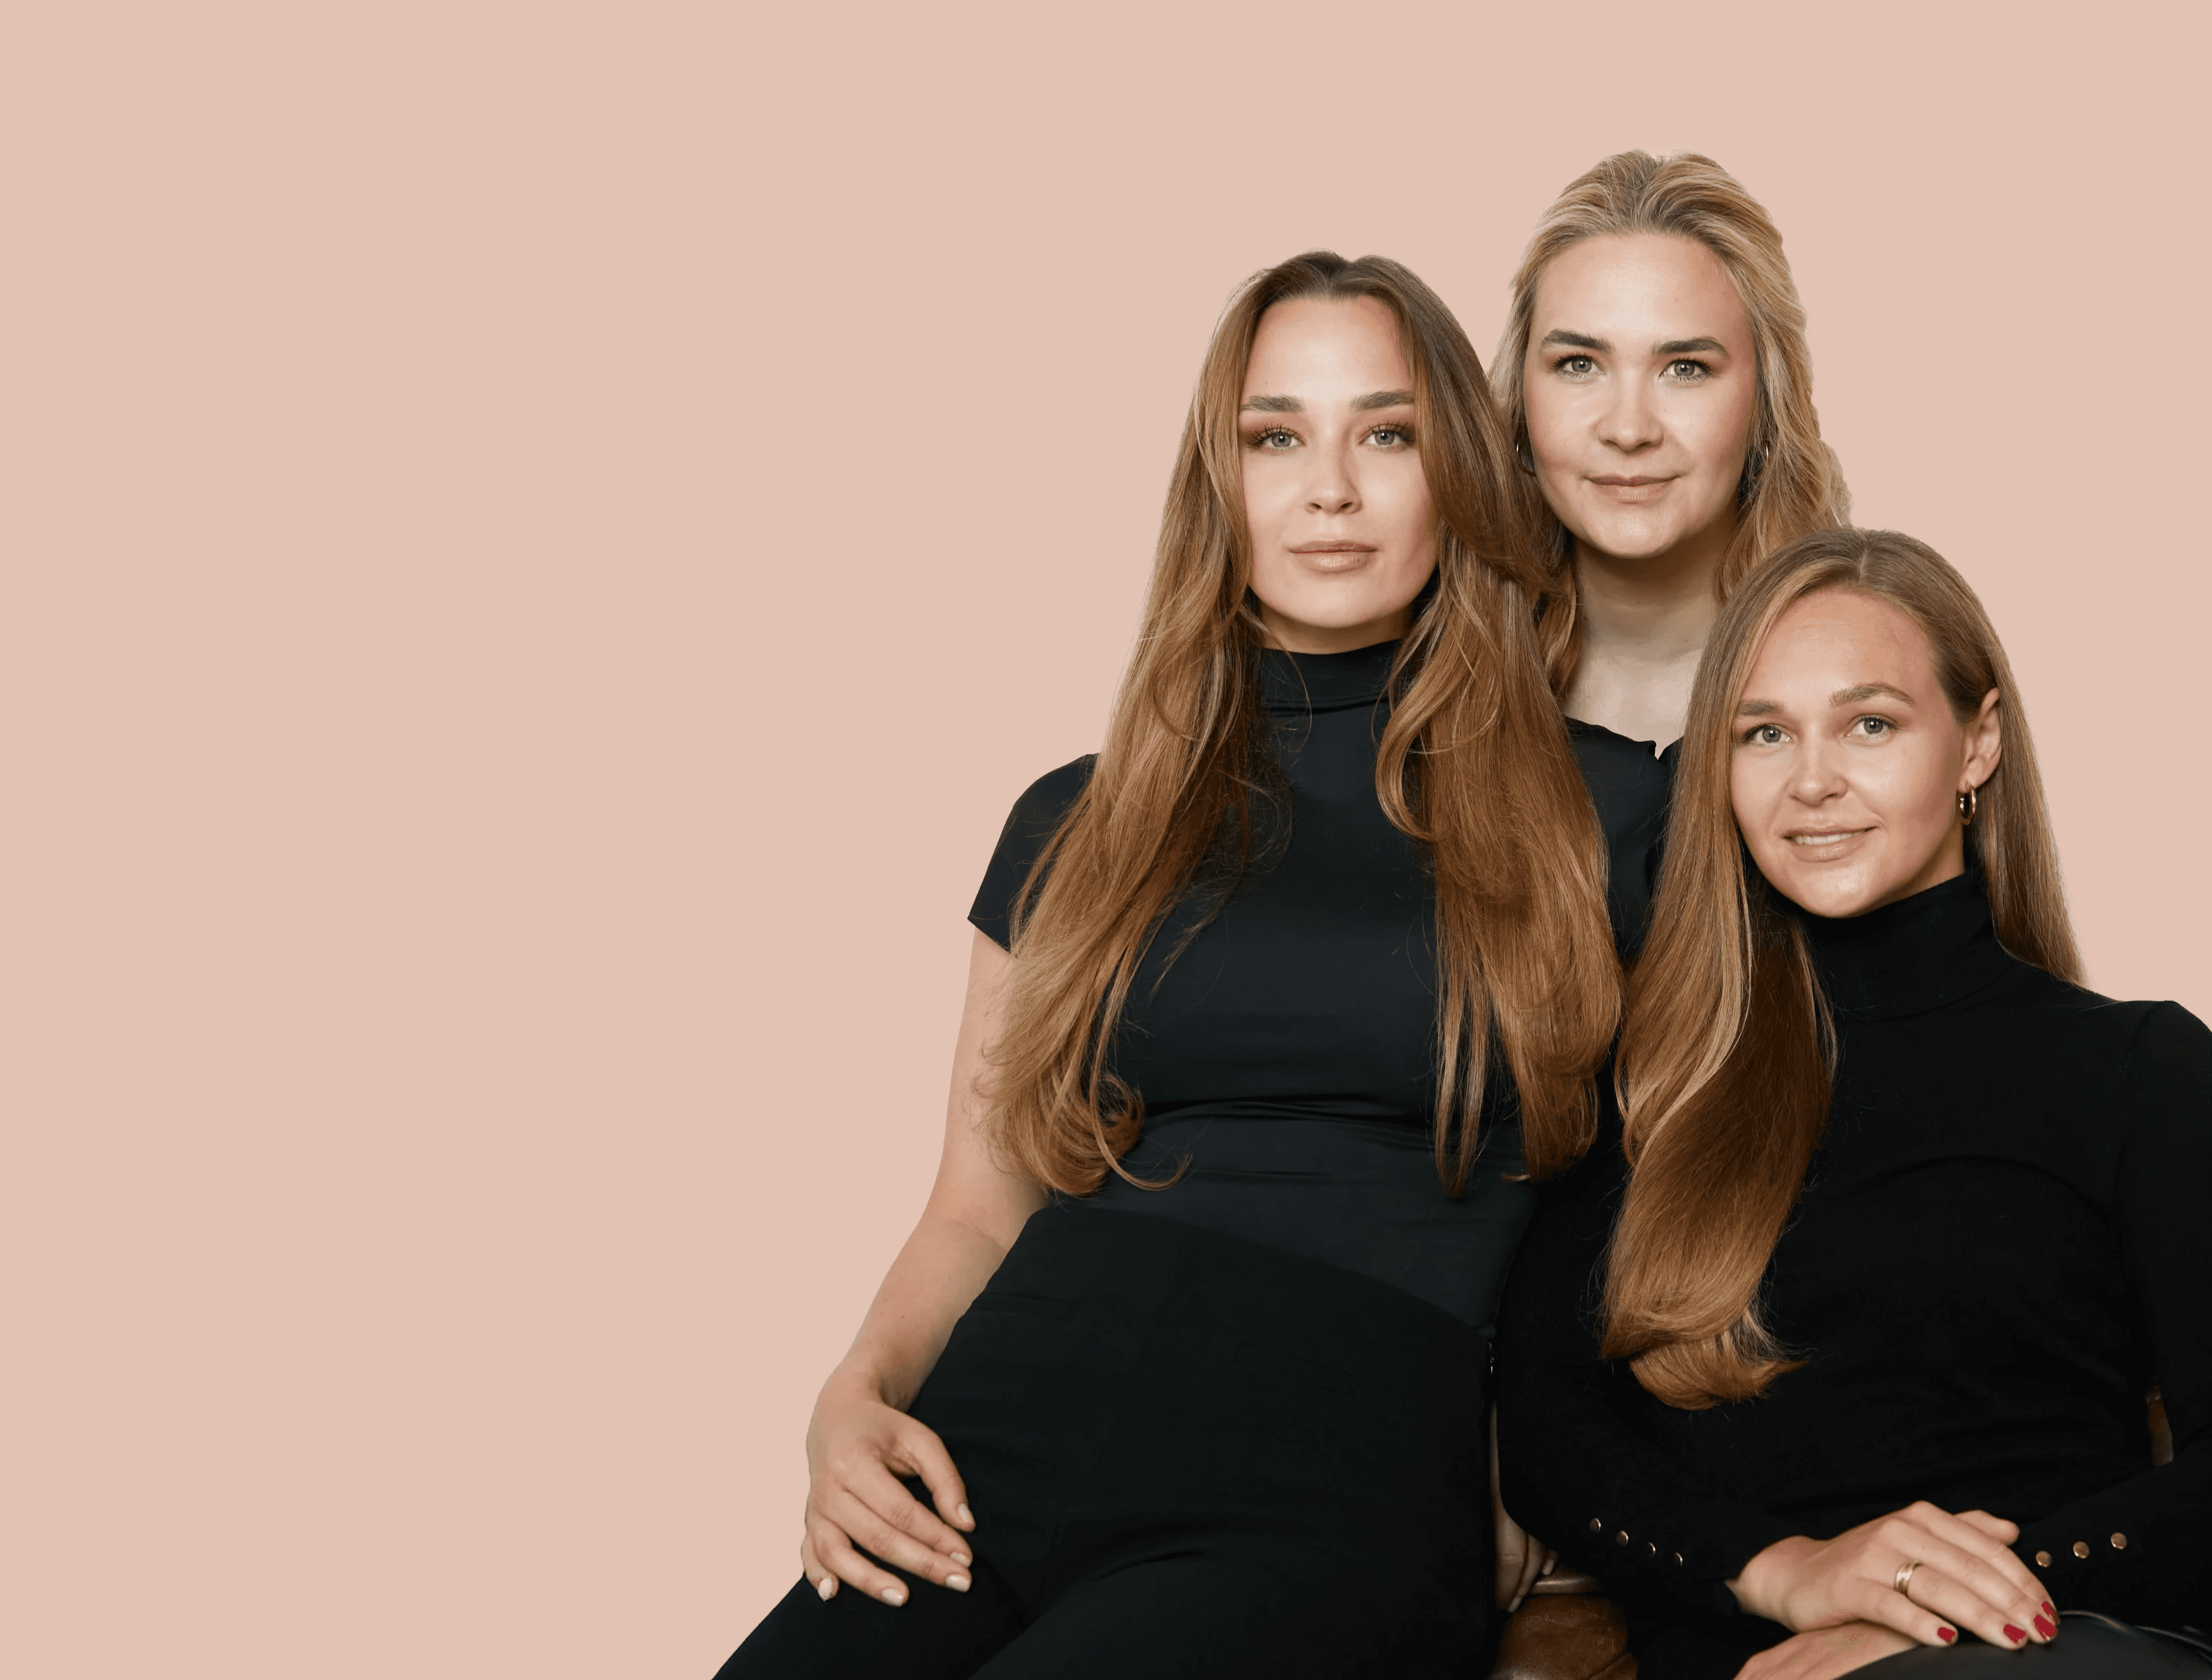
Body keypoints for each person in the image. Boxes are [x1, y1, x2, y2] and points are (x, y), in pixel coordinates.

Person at [715, 251, 1624, 1679]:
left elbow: (1673, 1202)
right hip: (1003, 1428)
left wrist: (1552, 1460)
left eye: (1385, 434)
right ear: (1219, 479)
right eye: (1275, 436)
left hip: (1337, 1460)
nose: (1328, 488)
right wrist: (852, 1393)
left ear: (1457, 471)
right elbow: (976, 1207)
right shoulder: (1076, 818)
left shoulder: (1605, 813)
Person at [1495, 527, 2212, 1679]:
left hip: (2052, 1645)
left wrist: (1937, 1602)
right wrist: (1783, 1570)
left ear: (1977, 742)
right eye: (1763, 733)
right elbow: (1550, 1432)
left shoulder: (2139, 1068)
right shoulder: (1656, 1090)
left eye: (1868, 724)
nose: (1812, 780)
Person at [1490, 149, 1851, 956]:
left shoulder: (1876, 669)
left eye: (1684, 367)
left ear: (1765, 401)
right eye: (1577, 364)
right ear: (1518, 399)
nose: (1628, 428)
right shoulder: (1428, 686)